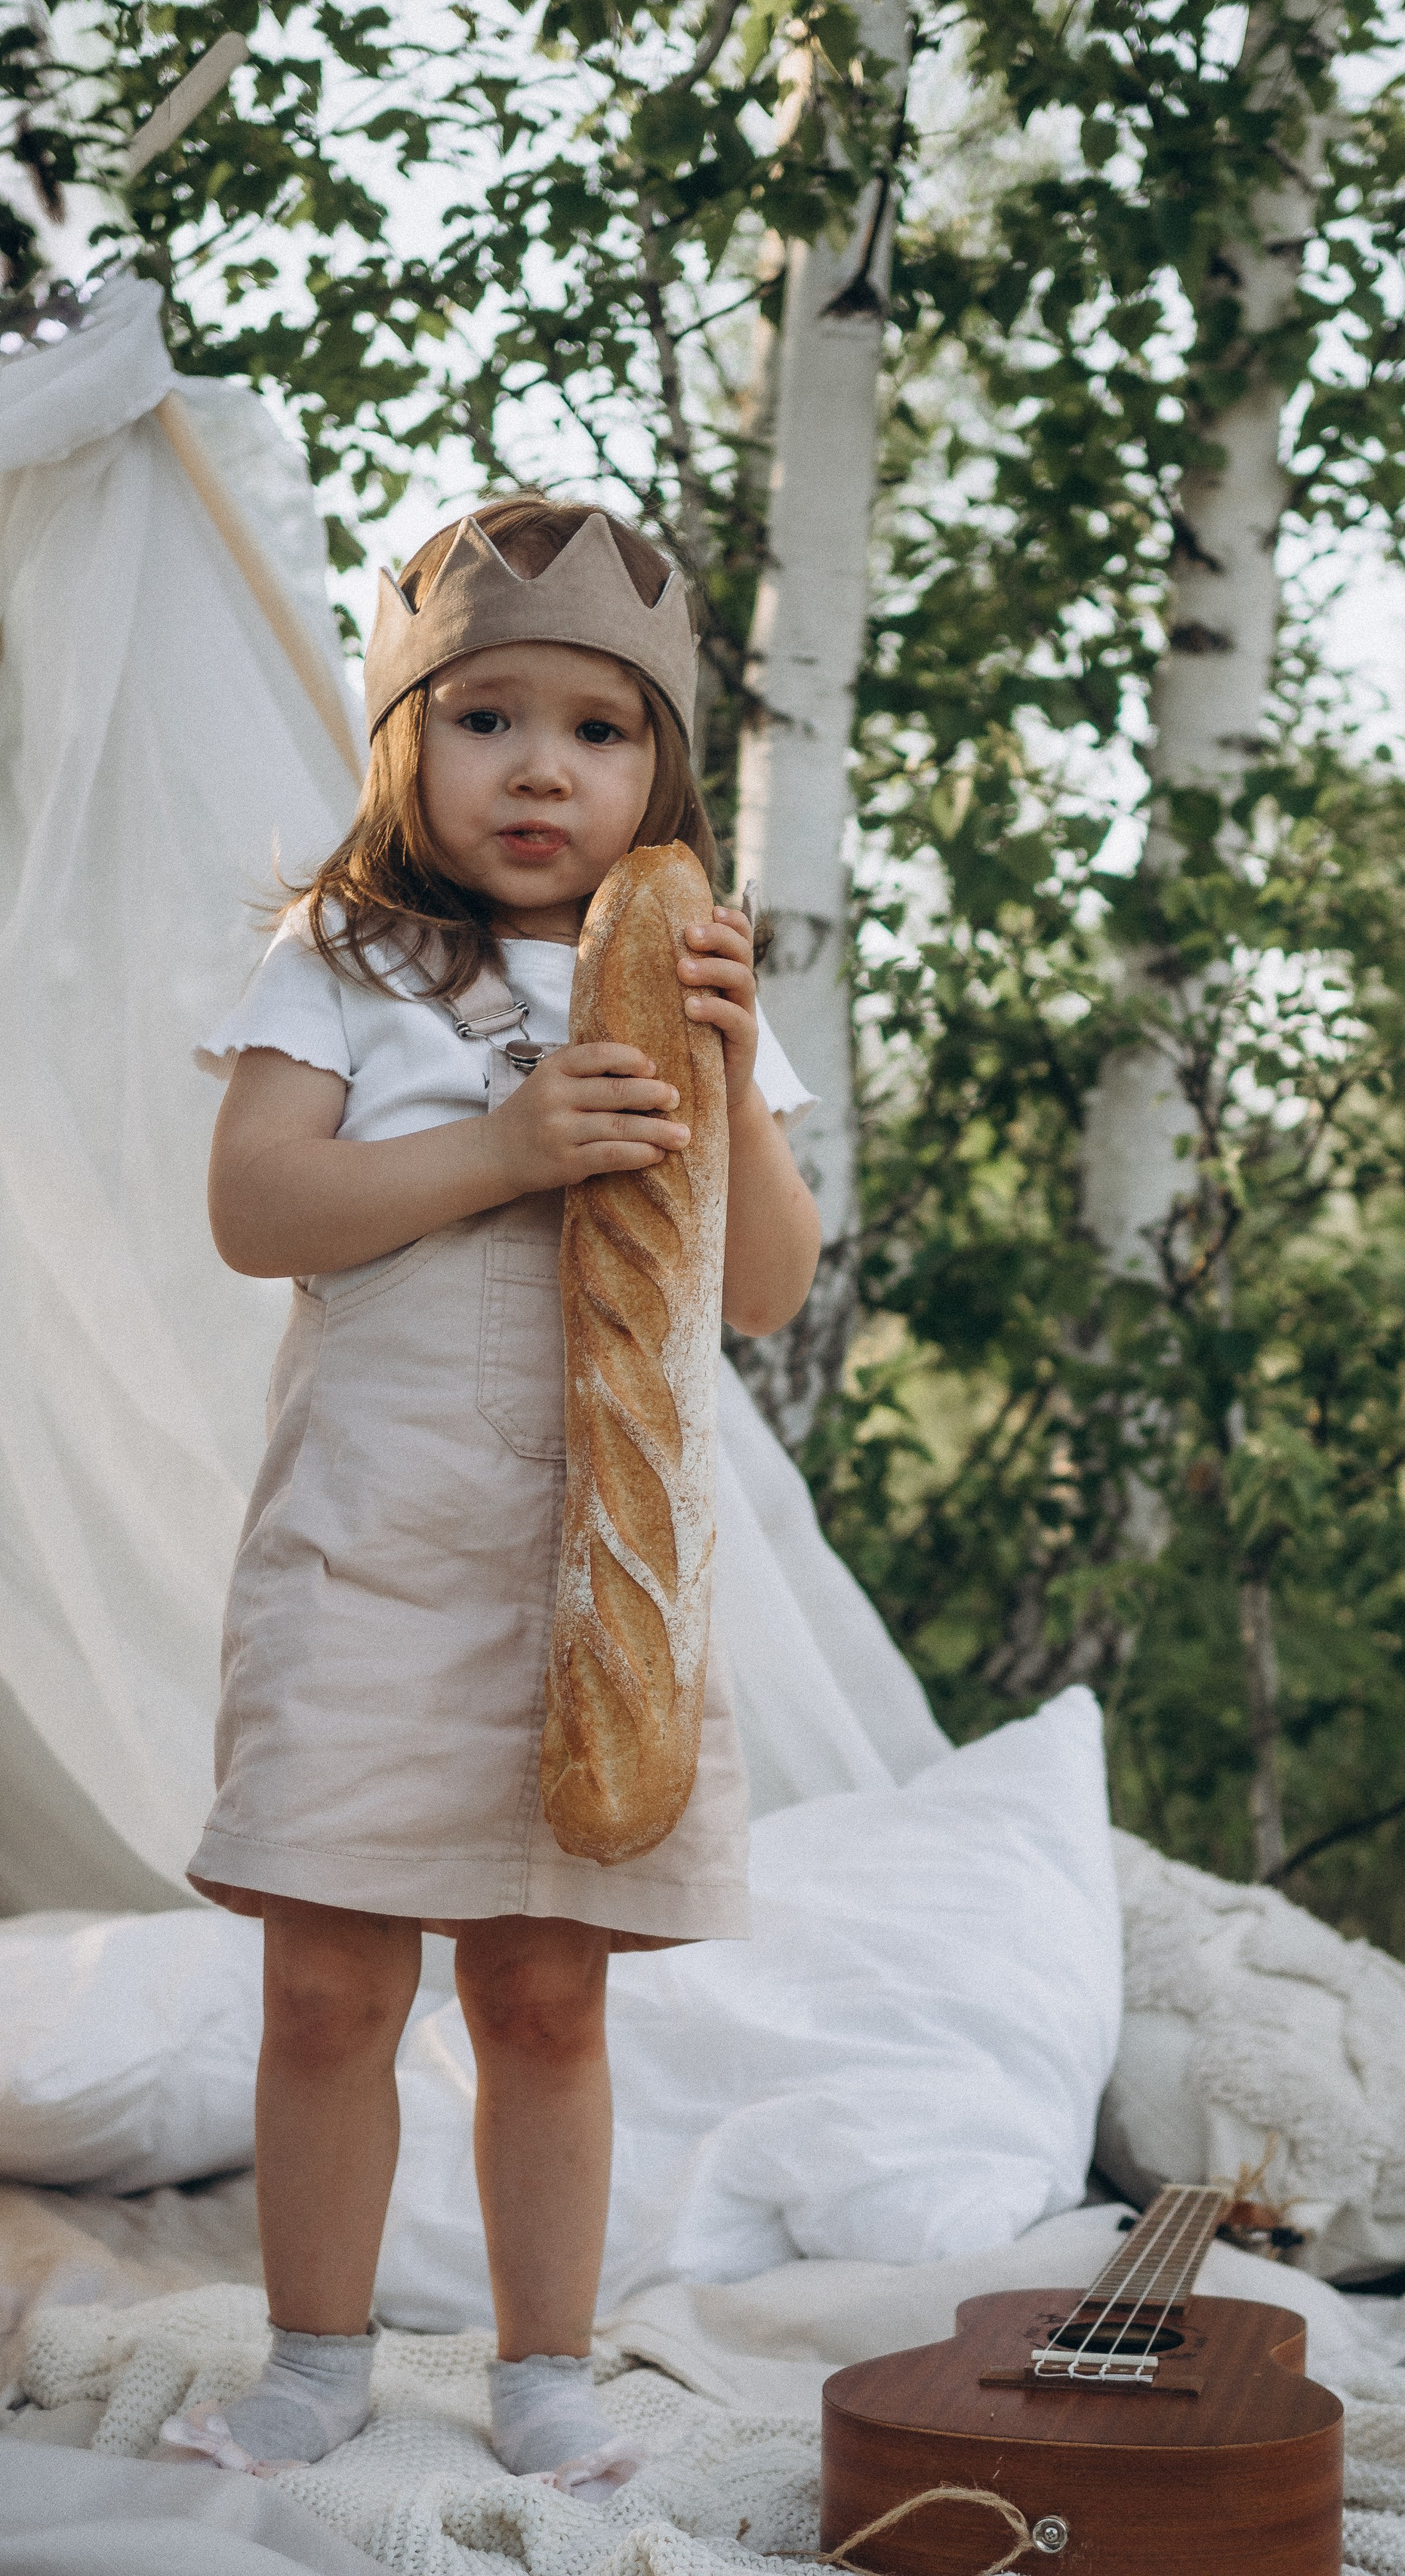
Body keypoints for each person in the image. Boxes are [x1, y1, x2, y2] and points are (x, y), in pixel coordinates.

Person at [159, 494, 821, 2491]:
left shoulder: (689, 968)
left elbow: (763, 1289)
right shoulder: (349, 959)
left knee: (546, 1994)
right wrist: (517, 1141)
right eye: (488, 719)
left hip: (597, 1585)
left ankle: (545, 2371)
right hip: (374, 1560)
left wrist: (720, 1090)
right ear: (401, 746)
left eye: (601, 732)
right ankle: (313, 2359)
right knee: (331, 1979)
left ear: (665, 772)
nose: (543, 766)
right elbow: (261, 1209)